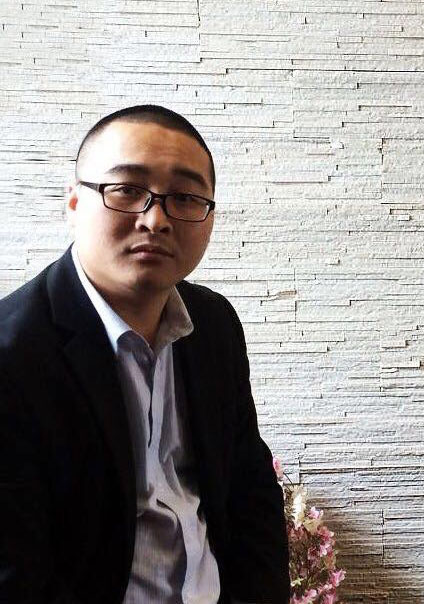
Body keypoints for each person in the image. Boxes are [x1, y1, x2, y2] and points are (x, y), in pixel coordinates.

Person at [0, 105, 289, 604]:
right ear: (74, 203)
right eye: (127, 190)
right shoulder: (14, 356)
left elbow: (250, 491)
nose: (155, 220)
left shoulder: (214, 324)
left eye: (184, 197)